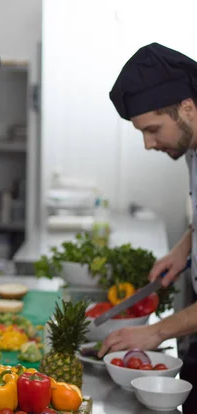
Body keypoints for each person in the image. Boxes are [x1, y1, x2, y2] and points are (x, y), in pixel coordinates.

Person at [99, 42, 197, 412]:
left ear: (186, 107)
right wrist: (185, 247)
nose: (147, 143)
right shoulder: (192, 147)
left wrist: (154, 332)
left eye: (153, 129)